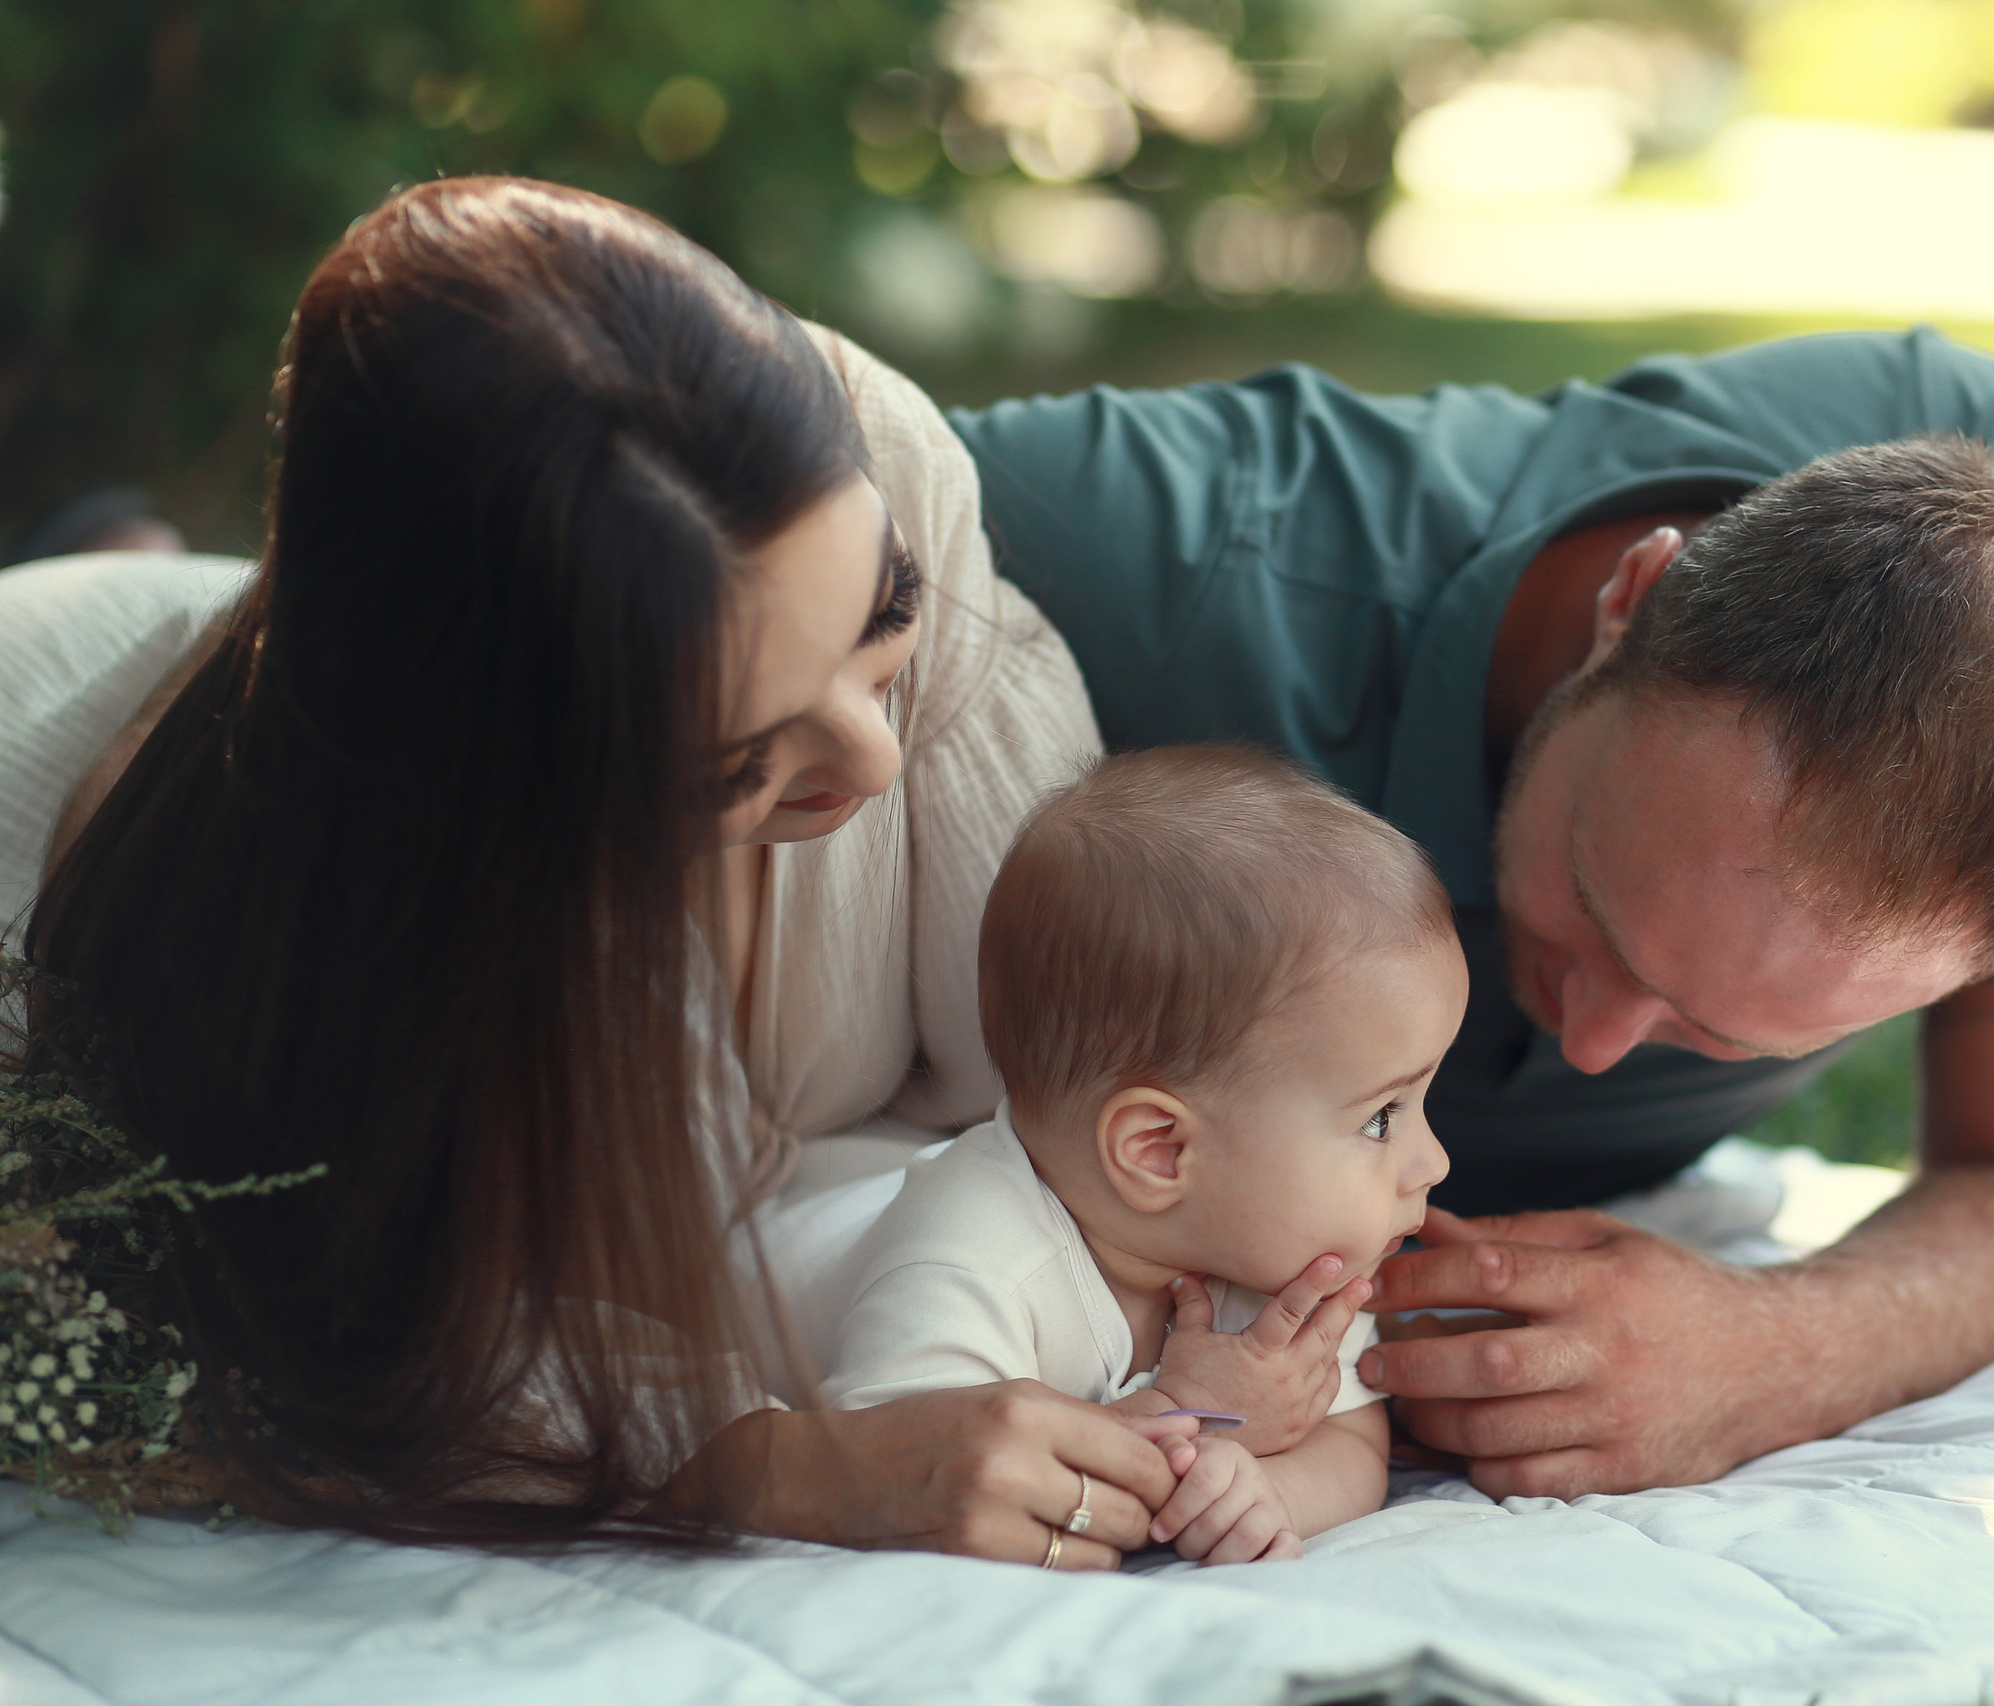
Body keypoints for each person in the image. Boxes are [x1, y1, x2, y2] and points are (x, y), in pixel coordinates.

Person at [0, 177, 1187, 1565]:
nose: (871, 758)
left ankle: (130, 545)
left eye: (885, 617)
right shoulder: (294, 931)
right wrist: (781, 1460)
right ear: (500, 793)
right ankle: (109, 559)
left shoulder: (869, 462)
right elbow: (360, 1365)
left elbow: (1095, 1068)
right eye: (731, 762)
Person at [950, 353, 1994, 1500]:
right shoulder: (1170, 559)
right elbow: (772, 496)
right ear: (1633, 600)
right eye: (1593, 902)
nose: (1598, 1043)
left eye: (1718, 1030)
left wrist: (1783, 1346)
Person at [816, 746, 1461, 1564]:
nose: (1435, 1162)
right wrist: (1179, 1408)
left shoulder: (1277, 1261)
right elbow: (915, 1479)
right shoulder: (968, 1259)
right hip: (754, 1254)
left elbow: (1356, 1440)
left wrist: (1269, 1493)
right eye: (1382, 1118)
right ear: (1161, 1152)